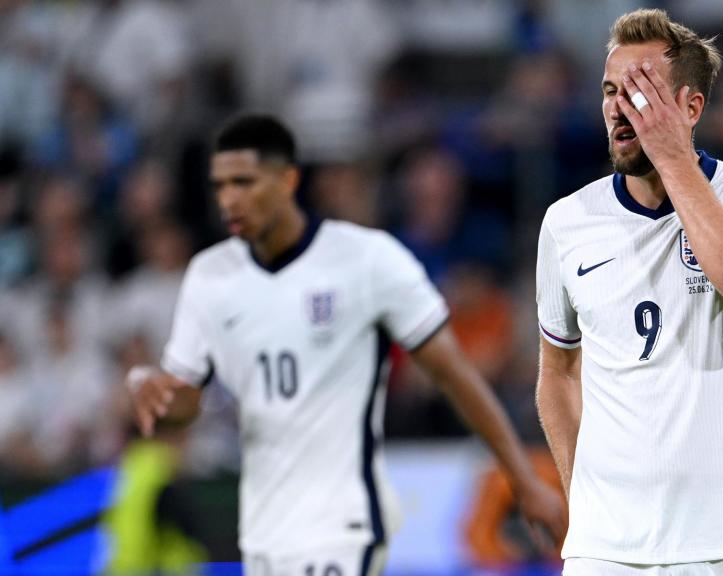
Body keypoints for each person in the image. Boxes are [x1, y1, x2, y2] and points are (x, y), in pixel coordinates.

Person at [127, 114, 565, 576]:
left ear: (287, 182)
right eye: (222, 186)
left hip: (343, 514)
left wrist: (521, 477)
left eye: (245, 183)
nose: (230, 199)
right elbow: (184, 403)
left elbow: (453, 372)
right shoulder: (211, 278)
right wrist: (151, 390)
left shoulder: (370, 260)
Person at [535, 8, 723, 576]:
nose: (619, 106)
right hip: (606, 552)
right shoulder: (567, 221)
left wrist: (673, 156)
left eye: (642, 91)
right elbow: (558, 371)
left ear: (690, 108)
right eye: (611, 90)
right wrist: (584, 503)